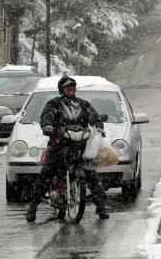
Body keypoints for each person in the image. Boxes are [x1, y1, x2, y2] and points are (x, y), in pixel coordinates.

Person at [26, 75, 109, 222]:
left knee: (91, 175)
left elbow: (94, 117)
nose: (70, 89)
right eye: (67, 87)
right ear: (61, 90)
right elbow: (46, 118)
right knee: (46, 173)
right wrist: (48, 126)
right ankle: (33, 205)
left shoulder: (83, 104)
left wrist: (99, 126)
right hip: (59, 147)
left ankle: (101, 206)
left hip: (79, 148)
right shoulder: (54, 104)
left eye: (72, 87)